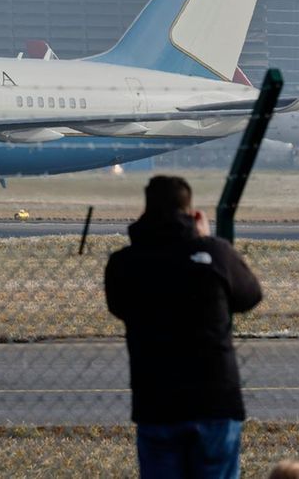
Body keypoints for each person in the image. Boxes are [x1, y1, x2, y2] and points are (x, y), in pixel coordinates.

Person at [104, 175, 262, 479]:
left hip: (157, 402)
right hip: (215, 400)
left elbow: (118, 307)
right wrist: (205, 240)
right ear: (190, 211)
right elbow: (250, 296)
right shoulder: (214, 254)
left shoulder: (124, 263)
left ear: (145, 210)